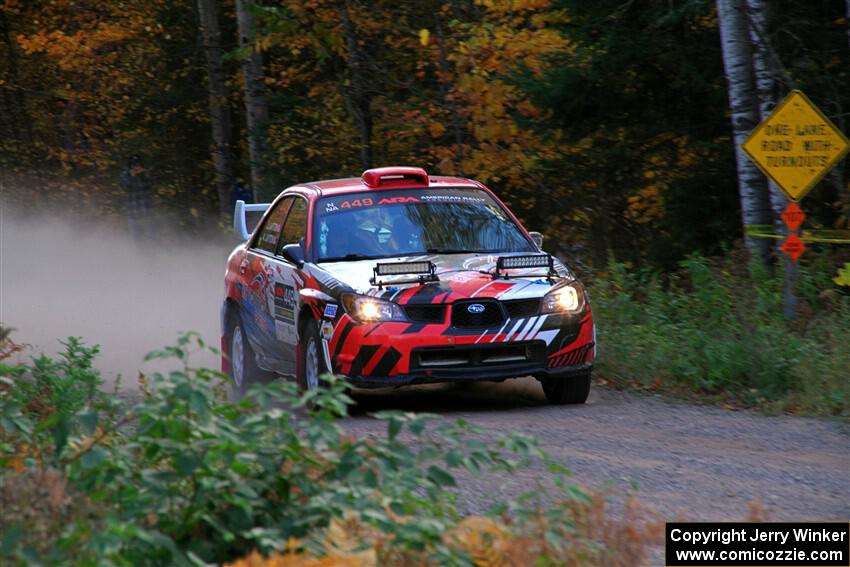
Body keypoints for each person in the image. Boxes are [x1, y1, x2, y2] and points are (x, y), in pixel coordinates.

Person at [119, 154, 154, 242]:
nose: (136, 166)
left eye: (138, 164)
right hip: (133, 212)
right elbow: (126, 188)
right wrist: (132, 176)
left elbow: (150, 186)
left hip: (146, 211)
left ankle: (151, 253)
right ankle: (136, 254)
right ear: (130, 165)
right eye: (134, 164)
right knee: (135, 238)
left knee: (150, 237)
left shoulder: (145, 174)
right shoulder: (125, 175)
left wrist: (143, 175)